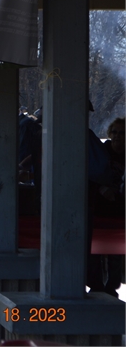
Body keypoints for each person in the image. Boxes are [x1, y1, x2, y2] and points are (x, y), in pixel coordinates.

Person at [87, 117, 125, 297]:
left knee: (116, 252)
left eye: (122, 133)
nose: (118, 137)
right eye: (115, 132)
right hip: (99, 208)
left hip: (120, 211)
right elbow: (92, 174)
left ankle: (112, 287)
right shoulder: (102, 151)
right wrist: (103, 189)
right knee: (95, 248)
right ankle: (96, 286)